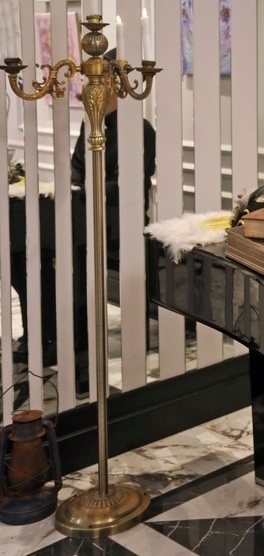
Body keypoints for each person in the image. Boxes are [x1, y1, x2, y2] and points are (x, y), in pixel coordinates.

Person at [10, 47, 156, 370]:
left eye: (99, 80)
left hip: (119, 223)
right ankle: (45, 336)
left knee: (70, 260)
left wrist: (89, 188)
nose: (92, 86)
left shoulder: (140, 130)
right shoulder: (90, 124)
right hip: (85, 215)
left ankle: (76, 345)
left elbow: (127, 188)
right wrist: (84, 188)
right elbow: (77, 170)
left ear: (113, 84)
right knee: (25, 257)